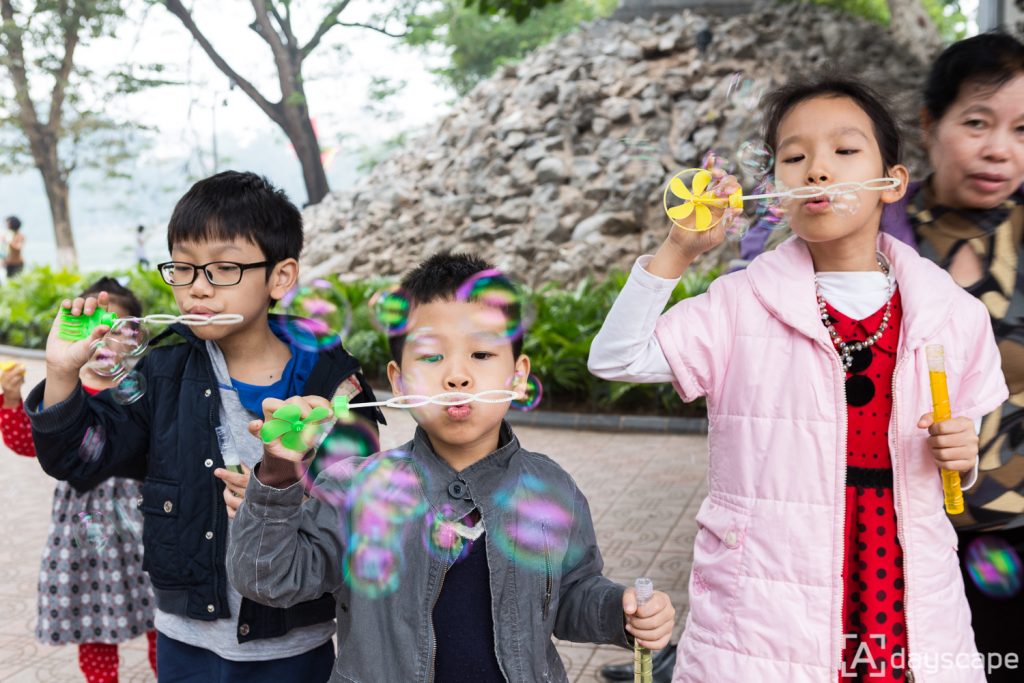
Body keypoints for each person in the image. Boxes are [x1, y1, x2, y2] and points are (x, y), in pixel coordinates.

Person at [588, 75, 1008, 682]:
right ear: (776, 190)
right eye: (794, 157)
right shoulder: (737, 305)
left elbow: (963, 449)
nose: (817, 170)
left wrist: (961, 455)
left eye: (844, 151)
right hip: (767, 598)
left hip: (901, 579)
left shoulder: (955, 314)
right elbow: (616, 358)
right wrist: (678, 251)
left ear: (892, 181)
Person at [227, 252, 677, 682]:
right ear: (399, 382)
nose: (456, 377)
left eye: (481, 355)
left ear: (517, 376)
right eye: (431, 356)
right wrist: (279, 473)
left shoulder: (551, 487)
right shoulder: (353, 490)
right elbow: (267, 579)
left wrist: (619, 610)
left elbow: (571, 594)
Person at [739, 33, 1024, 681]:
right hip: (885, 536)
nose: (999, 149)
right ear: (930, 125)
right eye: (977, 122)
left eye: (1023, 129)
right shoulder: (864, 217)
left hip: (1013, 526)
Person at [25, 171, 383, 682]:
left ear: (280, 277)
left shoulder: (334, 386)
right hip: (186, 642)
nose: (197, 287)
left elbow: (362, 512)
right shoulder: (162, 371)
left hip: (294, 645)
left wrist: (289, 502)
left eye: (223, 269)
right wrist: (61, 374)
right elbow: (77, 458)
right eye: (185, 268)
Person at [1, 277, 158, 683]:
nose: (100, 339)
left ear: (137, 337)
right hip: (85, 530)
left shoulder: (146, 393)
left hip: (143, 521)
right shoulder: (66, 394)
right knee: (94, 617)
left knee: (162, 611)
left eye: (115, 330)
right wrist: (14, 401)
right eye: (89, 330)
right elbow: (27, 446)